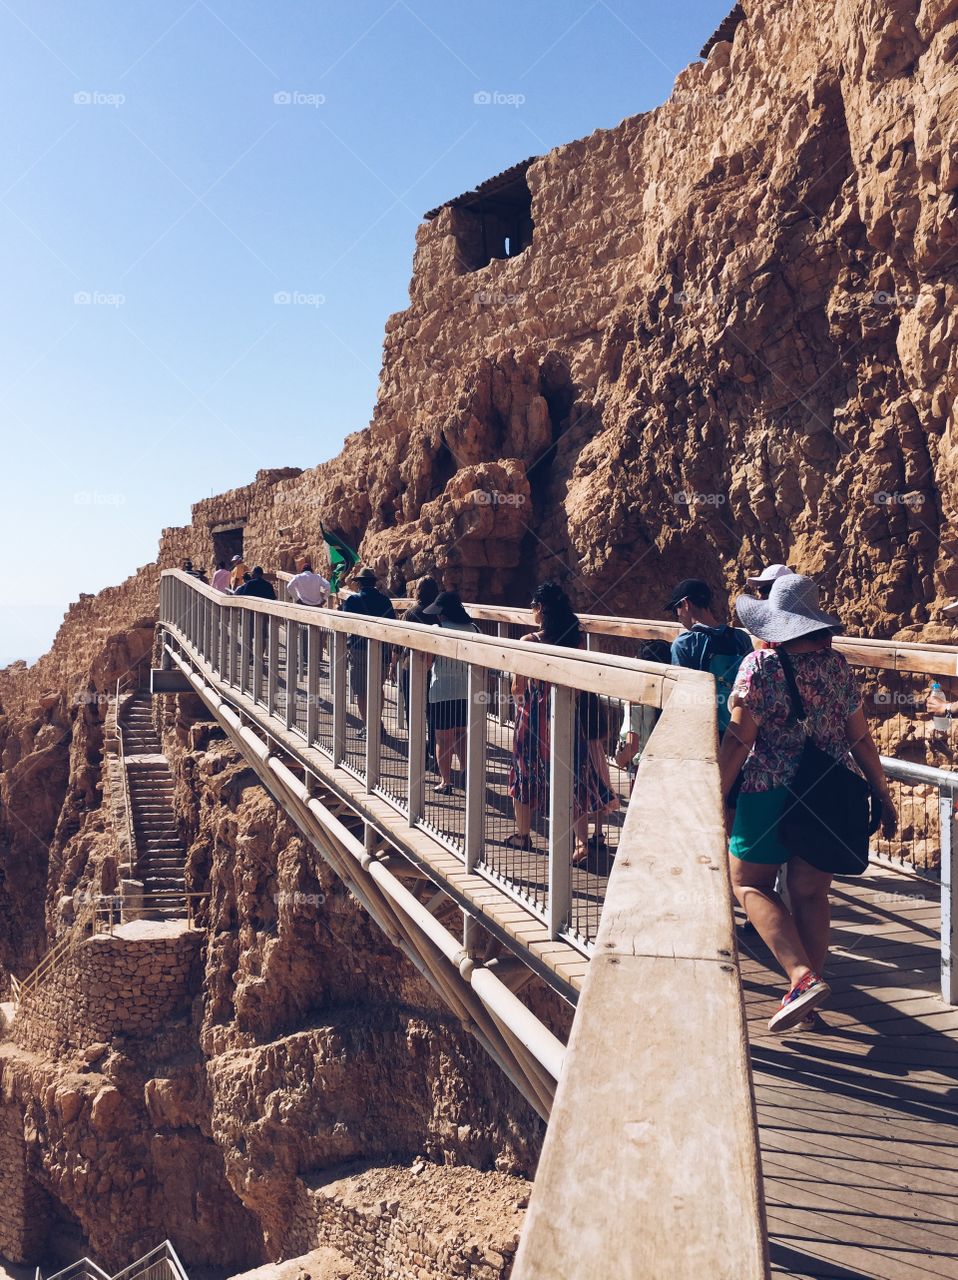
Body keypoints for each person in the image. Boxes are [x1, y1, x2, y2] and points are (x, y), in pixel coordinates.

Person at [718, 574, 897, 1033]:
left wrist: (713, 791)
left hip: (769, 791)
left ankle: (801, 978)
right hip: (830, 792)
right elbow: (859, 735)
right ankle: (809, 1002)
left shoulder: (759, 666)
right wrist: (880, 789)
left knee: (750, 884)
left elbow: (740, 738)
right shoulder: (837, 666)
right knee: (811, 891)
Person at [506, 582, 618, 862]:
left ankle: (522, 835)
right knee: (574, 778)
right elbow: (580, 685)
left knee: (524, 774)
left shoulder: (529, 642)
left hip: (533, 719)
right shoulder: (576, 640)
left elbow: (518, 687)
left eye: (533, 606)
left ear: (541, 608)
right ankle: (581, 844)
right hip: (568, 716)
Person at [665, 578, 753, 736]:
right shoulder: (741, 638)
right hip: (739, 729)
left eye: (675, 609)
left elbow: (682, 697)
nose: (677, 615)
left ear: (686, 604)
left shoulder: (684, 644)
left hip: (705, 732)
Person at [421, 591, 480, 793]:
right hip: (466, 691)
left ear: (442, 613)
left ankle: (446, 782)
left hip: (442, 691)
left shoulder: (437, 630)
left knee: (442, 738)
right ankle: (465, 771)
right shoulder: (474, 629)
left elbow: (428, 663)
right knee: (461, 735)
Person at [340, 567, 395, 738]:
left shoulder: (352, 601)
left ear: (359, 584)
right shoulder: (385, 601)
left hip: (359, 649)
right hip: (382, 649)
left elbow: (343, 623)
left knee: (361, 691)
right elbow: (392, 624)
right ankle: (377, 723)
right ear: (374, 583)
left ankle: (369, 726)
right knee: (377, 688)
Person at [395, 577, 440, 766]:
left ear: (418, 591)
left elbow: (399, 642)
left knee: (412, 707)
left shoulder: (410, 613)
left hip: (410, 666)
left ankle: (418, 747)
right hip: (435, 668)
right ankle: (433, 749)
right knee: (432, 710)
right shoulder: (439, 614)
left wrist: (392, 665)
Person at [614, 640, 672, 787]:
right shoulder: (671, 695)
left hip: (643, 769)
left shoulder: (637, 699)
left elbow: (632, 747)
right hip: (666, 767)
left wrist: (619, 758)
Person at [286, 561, 331, 675]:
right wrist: (324, 599)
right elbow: (328, 586)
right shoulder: (317, 577)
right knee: (316, 632)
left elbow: (289, 586)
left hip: (303, 606)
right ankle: (316, 658)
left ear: (302, 570)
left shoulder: (298, 577)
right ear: (311, 570)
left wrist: (297, 598)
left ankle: (304, 657)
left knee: (303, 632)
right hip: (317, 607)